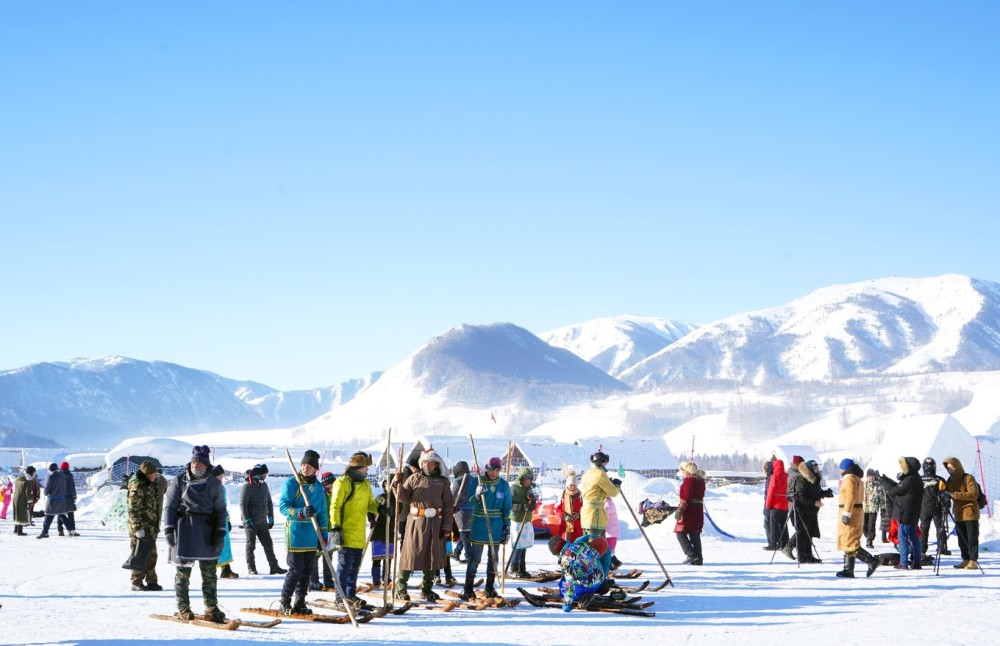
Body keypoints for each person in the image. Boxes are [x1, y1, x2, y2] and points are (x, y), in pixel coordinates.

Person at [163, 445, 228, 622]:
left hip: (207, 529)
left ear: (206, 466)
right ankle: (183, 607)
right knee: (182, 573)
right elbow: (170, 506)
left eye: (199, 464)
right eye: (194, 463)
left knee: (209, 573)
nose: (195, 466)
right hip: (185, 529)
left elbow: (221, 510)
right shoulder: (179, 481)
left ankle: (211, 607)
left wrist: (221, 532)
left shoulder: (214, 484)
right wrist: (168, 528)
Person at [395, 449, 454, 602]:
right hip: (416, 522)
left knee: (432, 555)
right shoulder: (414, 478)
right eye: (425, 462)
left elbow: (448, 505)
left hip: (436, 523)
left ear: (436, 464)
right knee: (410, 554)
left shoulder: (443, 482)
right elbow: (402, 497)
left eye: (431, 462)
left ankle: (426, 589)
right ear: (422, 463)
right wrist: (397, 483)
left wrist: (447, 526)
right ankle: (401, 587)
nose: (428, 465)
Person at [278, 449, 330, 615]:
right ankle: (285, 601)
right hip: (295, 533)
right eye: (303, 465)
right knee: (295, 569)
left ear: (315, 469)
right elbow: (283, 507)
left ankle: (300, 601)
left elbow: (322, 512)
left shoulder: (318, 487)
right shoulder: (292, 484)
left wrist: (324, 534)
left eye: (308, 466)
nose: (305, 468)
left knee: (307, 570)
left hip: (312, 533)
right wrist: (300, 512)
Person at [329, 451, 380, 609]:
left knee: (355, 565)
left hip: (359, 532)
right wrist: (336, 527)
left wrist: (381, 508)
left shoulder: (365, 484)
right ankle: (340, 596)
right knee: (344, 565)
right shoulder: (342, 483)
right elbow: (335, 506)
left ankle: (350, 593)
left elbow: (370, 503)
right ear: (358, 467)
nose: (367, 471)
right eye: (366, 468)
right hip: (344, 530)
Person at [460, 455, 510, 601]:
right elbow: (469, 503)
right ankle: (468, 588)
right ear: (486, 468)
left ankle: (489, 587)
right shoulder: (477, 481)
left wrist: (507, 526)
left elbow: (507, 507)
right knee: (475, 558)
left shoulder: (504, 485)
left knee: (493, 559)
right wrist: (476, 496)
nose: (493, 472)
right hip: (480, 523)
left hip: (497, 524)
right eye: (490, 469)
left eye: (496, 470)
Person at [834, 459, 879, 578]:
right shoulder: (857, 478)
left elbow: (850, 496)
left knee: (850, 541)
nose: (840, 471)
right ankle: (848, 569)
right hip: (856, 511)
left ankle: (871, 561)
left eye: (841, 468)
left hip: (851, 512)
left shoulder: (849, 478)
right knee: (849, 540)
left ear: (845, 468)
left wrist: (846, 513)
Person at [239, 464, 286, 575]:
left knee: (268, 544)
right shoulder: (247, 487)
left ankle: (274, 567)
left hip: (262, 521)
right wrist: (246, 520)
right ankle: (251, 567)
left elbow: (269, 501)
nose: (265, 478)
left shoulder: (264, 486)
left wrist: (271, 516)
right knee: (251, 545)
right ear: (257, 476)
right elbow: (242, 505)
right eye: (263, 476)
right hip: (251, 522)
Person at [547, 535, 612, 612]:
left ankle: (584, 597)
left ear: (557, 553)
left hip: (589, 585)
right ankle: (595, 588)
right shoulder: (580, 544)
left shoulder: (566, 560)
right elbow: (595, 555)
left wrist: (567, 603)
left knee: (563, 588)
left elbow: (571, 583)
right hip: (600, 577)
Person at [126, 460, 164, 591]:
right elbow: (133, 509)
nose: (155, 476)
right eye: (153, 474)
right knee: (139, 555)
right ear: (147, 474)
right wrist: (137, 528)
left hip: (150, 526)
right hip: (141, 527)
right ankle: (136, 582)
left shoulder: (151, 483)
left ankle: (152, 581)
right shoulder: (137, 485)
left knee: (152, 554)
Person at [942, 456, 981, 570]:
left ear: (957, 467)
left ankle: (973, 560)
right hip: (958, 514)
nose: (950, 470)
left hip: (970, 512)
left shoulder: (968, 478)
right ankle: (965, 559)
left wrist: (954, 494)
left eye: (952, 468)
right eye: (948, 468)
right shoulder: (950, 480)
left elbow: (973, 494)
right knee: (962, 539)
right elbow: (948, 493)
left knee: (971, 538)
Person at [791, 459, 832, 564]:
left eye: (817, 467)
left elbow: (814, 493)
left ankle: (808, 555)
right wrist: (814, 502)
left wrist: (825, 494)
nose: (817, 470)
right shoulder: (802, 479)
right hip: (802, 511)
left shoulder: (815, 479)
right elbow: (800, 497)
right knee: (802, 533)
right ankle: (801, 555)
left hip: (811, 511)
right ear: (809, 469)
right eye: (815, 468)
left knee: (810, 532)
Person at [888, 457, 923, 570]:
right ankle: (917, 562)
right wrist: (886, 479)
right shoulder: (915, 478)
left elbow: (896, 490)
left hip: (906, 513)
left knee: (902, 536)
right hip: (913, 513)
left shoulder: (910, 480)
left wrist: (884, 482)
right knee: (914, 537)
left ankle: (903, 563)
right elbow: (899, 487)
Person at [580, 451, 621, 539]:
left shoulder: (587, 474)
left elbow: (594, 489)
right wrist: (616, 485)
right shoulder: (601, 474)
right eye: (605, 462)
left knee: (587, 546)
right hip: (595, 516)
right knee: (597, 546)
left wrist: (607, 483)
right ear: (602, 462)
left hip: (586, 515)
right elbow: (613, 492)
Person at [507, 466, 537, 579]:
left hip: (527, 520)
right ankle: (514, 568)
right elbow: (509, 505)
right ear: (521, 479)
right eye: (525, 480)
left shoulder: (529, 489)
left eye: (529, 480)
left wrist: (532, 504)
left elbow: (532, 503)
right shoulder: (513, 489)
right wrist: (523, 507)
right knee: (517, 545)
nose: (527, 482)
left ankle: (522, 568)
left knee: (524, 545)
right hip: (517, 521)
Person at [310, 471, 338, 591]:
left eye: (332, 485)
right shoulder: (320, 494)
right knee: (316, 555)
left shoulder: (336, 494)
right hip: (321, 528)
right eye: (328, 486)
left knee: (329, 556)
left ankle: (328, 580)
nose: (330, 488)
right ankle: (314, 580)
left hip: (332, 529)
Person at [675, 461, 706, 565]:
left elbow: (687, 497)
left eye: (683, 470)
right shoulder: (701, 480)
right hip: (698, 510)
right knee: (694, 534)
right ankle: (698, 559)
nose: (683, 473)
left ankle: (691, 554)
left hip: (689, 510)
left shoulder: (689, 480)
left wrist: (681, 508)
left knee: (680, 533)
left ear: (686, 470)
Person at [919, 457, 951, 557]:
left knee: (924, 529)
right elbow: (945, 494)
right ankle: (942, 547)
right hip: (937, 508)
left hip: (923, 508)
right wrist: (947, 506)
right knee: (940, 528)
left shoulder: (919, 479)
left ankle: (922, 549)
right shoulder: (940, 480)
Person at [369, 475, 397, 589]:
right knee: (377, 557)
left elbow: (400, 512)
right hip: (378, 530)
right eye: (387, 484)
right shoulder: (381, 497)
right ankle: (376, 579)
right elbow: (371, 510)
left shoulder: (397, 498)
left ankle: (386, 577)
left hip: (390, 531)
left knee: (388, 558)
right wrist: (371, 519)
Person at [211, 465, 239, 579]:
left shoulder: (221, 488)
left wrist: (227, 519)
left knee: (225, 545)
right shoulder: (210, 488)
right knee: (214, 546)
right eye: (219, 476)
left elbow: (223, 506)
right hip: (213, 521)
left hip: (222, 520)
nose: (221, 477)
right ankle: (211, 570)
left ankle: (226, 569)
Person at [38, 462, 75, 539]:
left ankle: (44, 532)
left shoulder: (51, 477)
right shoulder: (62, 477)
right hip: (61, 499)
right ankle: (70, 530)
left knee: (48, 517)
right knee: (62, 515)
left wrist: (46, 492)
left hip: (52, 500)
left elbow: (46, 490)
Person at [450, 460, 475, 564]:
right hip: (472, 510)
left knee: (464, 533)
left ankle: (469, 556)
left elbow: (453, 496)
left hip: (461, 511)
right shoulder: (474, 480)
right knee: (465, 533)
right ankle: (456, 553)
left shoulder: (457, 481)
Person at [780, 455, 804, 560]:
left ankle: (800, 551)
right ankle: (789, 547)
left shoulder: (791, 473)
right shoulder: (795, 475)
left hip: (793, 505)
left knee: (801, 528)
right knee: (801, 528)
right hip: (795, 505)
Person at [764, 457, 788, 551]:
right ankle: (785, 544)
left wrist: (768, 505)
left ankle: (773, 544)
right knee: (784, 525)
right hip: (785, 504)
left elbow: (771, 491)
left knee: (773, 525)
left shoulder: (774, 476)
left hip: (775, 505)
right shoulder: (787, 476)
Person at [555, 472, 583, 543]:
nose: (572, 487)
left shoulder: (580, 496)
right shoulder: (563, 495)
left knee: (577, 544)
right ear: (567, 485)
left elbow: (584, 508)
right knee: (565, 544)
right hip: (565, 524)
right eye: (571, 485)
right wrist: (564, 516)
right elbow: (557, 508)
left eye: (574, 485)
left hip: (577, 525)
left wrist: (578, 515)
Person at [12, 466, 37, 536]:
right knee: (22, 514)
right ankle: (19, 531)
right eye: (34, 472)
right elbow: (28, 491)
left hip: (15, 497)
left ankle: (16, 529)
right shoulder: (27, 480)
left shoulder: (19, 477)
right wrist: (29, 501)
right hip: (22, 498)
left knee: (17, 513)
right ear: (31, 473)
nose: (34, 474)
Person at [862, 468, 884, 549]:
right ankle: (868, 536)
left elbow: (882, 498)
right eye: (869, 476)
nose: (871, 478)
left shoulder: (878, 486)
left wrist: (883, 508)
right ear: (867, 477)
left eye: (872, 476)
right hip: (864, 508)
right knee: (864, 526)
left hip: (873, 508)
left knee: (871, 525)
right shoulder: (863, 485)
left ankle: (870, 541)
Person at [56, 462, 79, 536]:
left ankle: (60, 530)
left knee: (60, 513)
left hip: (59, 497)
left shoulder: (57, 476)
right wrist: (74, 496)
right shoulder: (69, 475)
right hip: (68, 497)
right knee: (70, 514)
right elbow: (72, 487)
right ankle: (72, 530)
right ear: (68, 467)